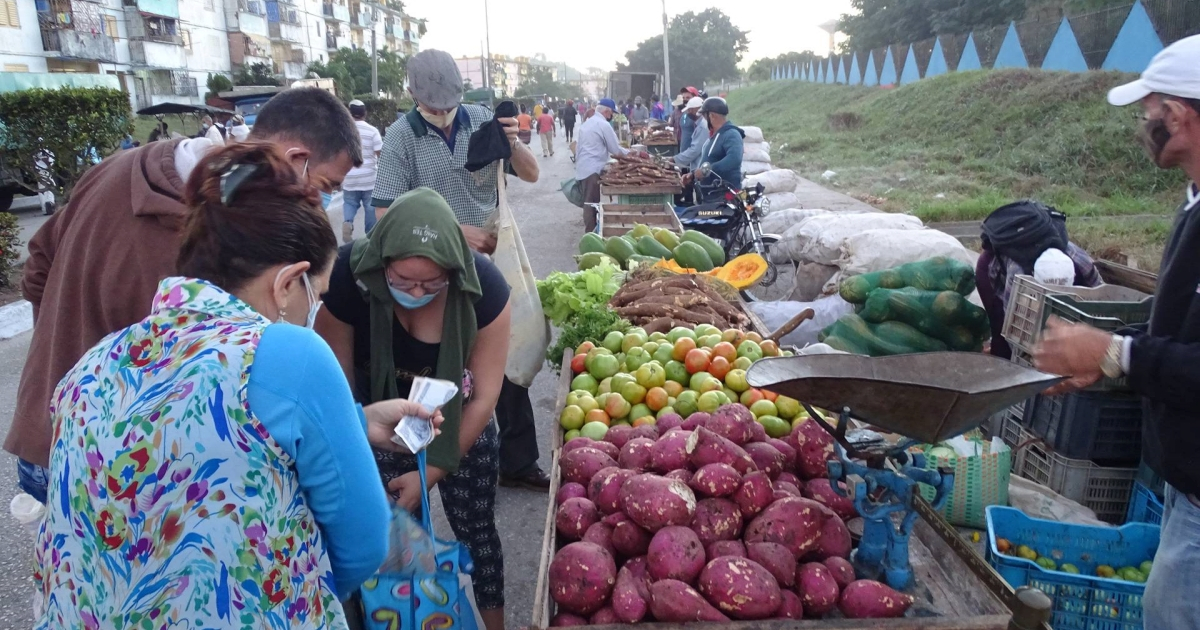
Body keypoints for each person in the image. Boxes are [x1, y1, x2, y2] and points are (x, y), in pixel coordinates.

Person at [34, 141, 438, 628]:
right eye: (318, 294)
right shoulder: (291, 355)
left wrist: (354, 421)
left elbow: (192, 452)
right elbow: (363, 543)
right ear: (287, 283)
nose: (317, 309)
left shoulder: (94, 365)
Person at [9, 87, 362, 502]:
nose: (321, 203)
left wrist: (63, 356)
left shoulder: (116, 167)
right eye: (325, 186)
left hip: (52, 430)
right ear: (296, 161)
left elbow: (37, 271)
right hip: (120, 458)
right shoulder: (222, 240)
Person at [1032, 35, 1200, 630]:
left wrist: (1117, 350)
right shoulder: (1195, 200)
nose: (1143, 127)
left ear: (1176, 116)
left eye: (1147, 114)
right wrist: (1106, 364)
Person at [318, 188, 512, 630]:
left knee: (478, 535)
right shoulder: (351, 275)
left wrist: (432, 472)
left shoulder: (483, 288)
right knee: (378, 540)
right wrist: (357, 448)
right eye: (402, 282)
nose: (417, 292)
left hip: (460, 425)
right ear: (381, 263)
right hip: (377, 425)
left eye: (432, 284)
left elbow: (484, 395)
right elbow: (338, 381)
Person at [370, 49, 547, 497]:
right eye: (433, 106)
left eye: (449, 105)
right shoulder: (399, 138)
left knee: (506, 360)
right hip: (433, 272)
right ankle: (431, 453)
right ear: (411, 94)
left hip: (491, 261)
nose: (444, 115)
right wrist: (458, 234)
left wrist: (515, 143)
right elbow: (385, 213)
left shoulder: (481, 119)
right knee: (446, 363)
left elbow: (530, 174)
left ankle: (519, 460)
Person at [975, 199, 1101, 359]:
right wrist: (1029, 359)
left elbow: (1102, 295)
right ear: (1033, 277)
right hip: (992, 273)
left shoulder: (1080, 260)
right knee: (1002, 338)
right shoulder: (1018, 272)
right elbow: (1012, 326)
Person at [575, 98, 630, 232]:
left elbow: (578, 148)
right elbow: (615, 149)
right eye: (611, 114)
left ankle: (593, 230)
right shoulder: (603, 124)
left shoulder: (587, 124)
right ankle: (591, 233)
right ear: (607, 112)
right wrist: (632, 154)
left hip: (584, 166)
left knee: (590, 201)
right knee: (591, 203)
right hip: (592, 169)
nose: (611, 117)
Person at [342, 98, 385, 243]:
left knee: (349, 203)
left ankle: (347, 222)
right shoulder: (372, 131)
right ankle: (369, 237)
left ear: (349, 113)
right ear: (364, 113)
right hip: (369, 179)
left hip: (349, 177)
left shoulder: (343, 132)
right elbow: (380, 154)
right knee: (370, 207)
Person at [690, 97, 744, 202]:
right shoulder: (714, 136)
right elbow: (709, 160)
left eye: (705, 116)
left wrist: (707, 171)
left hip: (727, 196)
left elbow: (734, 159)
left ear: (712, 116)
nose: (704, 120)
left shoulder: (731, 134)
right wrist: (693, 175)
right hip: (712, 195)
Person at [673, 96, 708, 206]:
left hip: (700, 170)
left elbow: (695, 150)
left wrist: (675, 159)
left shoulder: (703, 126)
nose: (688, 113)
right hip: (696, 170)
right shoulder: (699, 125)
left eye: (690, 110)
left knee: (702, 202)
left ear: (697, 109)